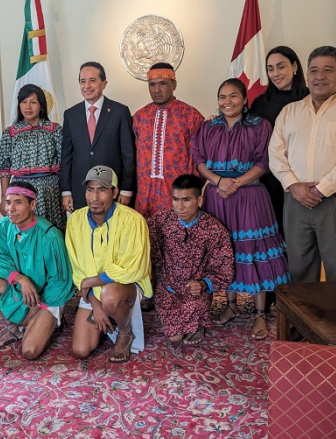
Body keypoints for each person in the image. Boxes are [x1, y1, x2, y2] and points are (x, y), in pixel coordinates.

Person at [192, 78, 289, 340]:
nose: (227, 102)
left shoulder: (260, 126)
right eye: (222, 97)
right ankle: (231, 305)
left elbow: (264, 162)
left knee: (253, 251)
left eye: (233, 96)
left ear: (245, 99)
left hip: (250, 196)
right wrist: (218, 181)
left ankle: (259, 314)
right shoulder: (208, 127)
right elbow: (199, 160)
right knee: (225, 251)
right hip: (217, 196)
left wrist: (235, 183)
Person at [269, 46, 336, 283]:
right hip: (295, 200)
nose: (319, 76)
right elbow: (275, 154)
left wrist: (321, 189)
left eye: (328, 70)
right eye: (314, 70)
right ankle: (304, 311)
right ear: (306, 74)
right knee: (299, 271)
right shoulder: (289, 112)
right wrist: (293, 185)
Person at [66, 165, 152, 363]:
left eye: (102, 190)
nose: (94, 197)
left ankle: (125, 331)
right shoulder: (75, 220)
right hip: (92, 291)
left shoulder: (132, 220)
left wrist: (92, 283)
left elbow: (131, 268)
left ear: (114, 192)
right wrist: (95, 304)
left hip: (125, 286)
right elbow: (77, 268)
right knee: (81, 350)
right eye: (90, 190)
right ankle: (108, 315)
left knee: (110, 296)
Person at [0, 181, 74, 360]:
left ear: (32, 205)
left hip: (48, 298)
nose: (11, 209)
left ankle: (49, 322)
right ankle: (14, 328)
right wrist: (20, 279)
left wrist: (37, 307)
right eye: (8, 202)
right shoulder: (3, 227)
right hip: (20, 289)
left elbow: (60, 282)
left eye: (18, 202)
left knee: (30, 351)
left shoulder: (50, 237)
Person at [147, 175, 234, 345]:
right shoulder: (162, 220)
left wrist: (203, 284)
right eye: (175, 199)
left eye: (186, 200)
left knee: (192, 317)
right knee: (175, 337)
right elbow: (148, 249)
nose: (180, 207)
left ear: (199, 200)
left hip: (195, 292)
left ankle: (198, 323)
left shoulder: (213, 229)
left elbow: (224, 269)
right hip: (168, 289)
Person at [250, 46, 309, 238]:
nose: (275, 73)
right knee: (275, 232)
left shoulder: (311, 98)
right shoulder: (260, 102)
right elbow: (244, 131)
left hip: (303, 176)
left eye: (281, 66)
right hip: (270, 178)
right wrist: (216, 119)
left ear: (295, 67)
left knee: (301, 235)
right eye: (270, 68)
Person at [61, 62, 136, 212]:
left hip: (112, 190)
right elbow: (66, 156)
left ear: (104, 84)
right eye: (83, 81)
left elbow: (128, 154)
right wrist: (66, 191)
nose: (87, 86)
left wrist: (126, 189)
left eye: (92, 81)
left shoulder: (120, 112)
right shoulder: (70, 114)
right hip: (80, 190)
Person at [133, 63, 204, 217]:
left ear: (174, 84)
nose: (156, 90)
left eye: (163, 84)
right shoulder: (139, 117)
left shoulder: (190, 116)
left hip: (178, 195)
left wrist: (192, 191)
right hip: (144, 194)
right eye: (152, 84)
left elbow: (199, 158)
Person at [0, 84, 65, 230]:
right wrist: (4, 197)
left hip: (49, 191)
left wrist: (64, 193)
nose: (28, 107)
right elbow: (4, 169)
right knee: (23, 232)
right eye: (24, 102)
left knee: (50, 231)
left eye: (33, 102)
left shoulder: (54, 130)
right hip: (19, 191)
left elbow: (64, 165)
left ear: (41, 106)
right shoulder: (10, 133)